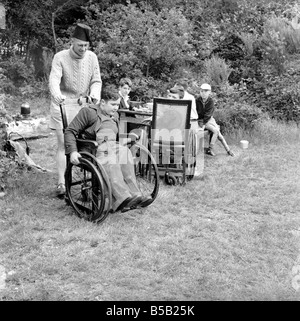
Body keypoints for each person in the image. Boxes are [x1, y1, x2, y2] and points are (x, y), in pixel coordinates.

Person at [64, 86, 153, 213]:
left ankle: (135, 195)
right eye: (113, 104)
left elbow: (116, 137)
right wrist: (73, 152)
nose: (116, 108)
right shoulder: (88, 112)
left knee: (125, 152)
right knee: (110, 158)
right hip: (92, 150)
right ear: (103, 102)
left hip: (111, 146)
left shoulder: (115, 115)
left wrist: (128, 138)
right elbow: (70, 132)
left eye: (117, 104)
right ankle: (121, 198)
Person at [49, 23, 102, 197]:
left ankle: (86, 181)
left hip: (82, 106)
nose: (83, 49)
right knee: (64, 143)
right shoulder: (60, 57)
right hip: (62, 105)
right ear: (72, 41)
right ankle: (62, 183)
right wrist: (56, 94)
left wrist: (94, 94)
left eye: (86, 46)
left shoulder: (92, 57)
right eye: (80, 45)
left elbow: (96, 80)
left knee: (85, 144)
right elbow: (54, 79)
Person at [195, 83, 234, 157]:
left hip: (209, 120)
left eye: (205, 91)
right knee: (216, 131)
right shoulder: (197, 100)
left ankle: (227, 150)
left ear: (209, 92)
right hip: (200, 120)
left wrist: (203, 124)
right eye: (202, 91)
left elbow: (208, 114)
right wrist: (200, 123)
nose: (203, 93)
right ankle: (211, 149)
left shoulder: (210, 101)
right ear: (200, 92)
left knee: (218, 134)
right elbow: (194, 111)